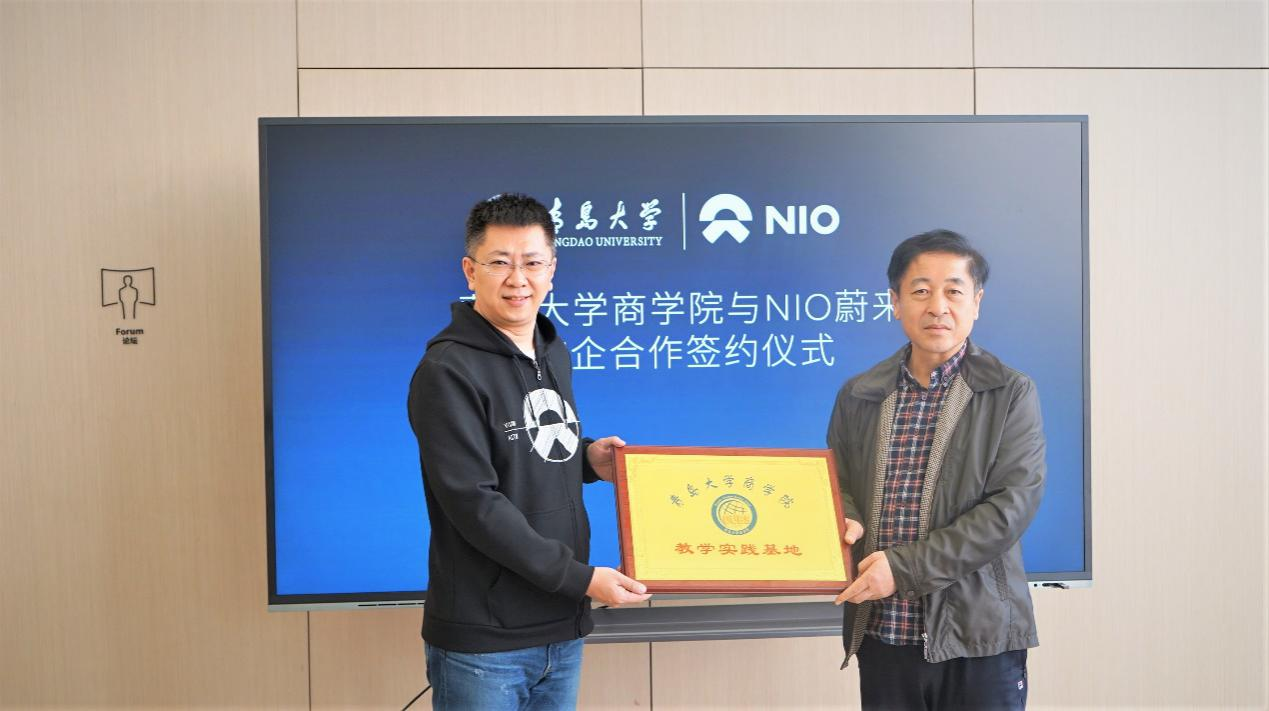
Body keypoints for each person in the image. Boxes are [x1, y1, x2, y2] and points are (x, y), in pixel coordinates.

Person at [407, 193, 651, 710]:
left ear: (552, 270)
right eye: (500, 263)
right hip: (485, 640)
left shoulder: (551, 350)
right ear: (470, 271)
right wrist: (582, 579)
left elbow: (528, 446)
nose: (518, 279)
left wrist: (588, 460)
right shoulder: (446, 371)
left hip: (560, 624)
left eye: (533, 263)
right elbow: (474, 503)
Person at [828, 229, 1045, 710]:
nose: (937, 306)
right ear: (895, 301)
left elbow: (1010, 508)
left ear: (977, 302)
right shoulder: (859, 394)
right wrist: (846, 519)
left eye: (954, 290)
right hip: (883, 631)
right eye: (921, 290)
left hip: (979, 636)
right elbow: (837, 486)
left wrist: (903, 569)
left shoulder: (1010, 392)